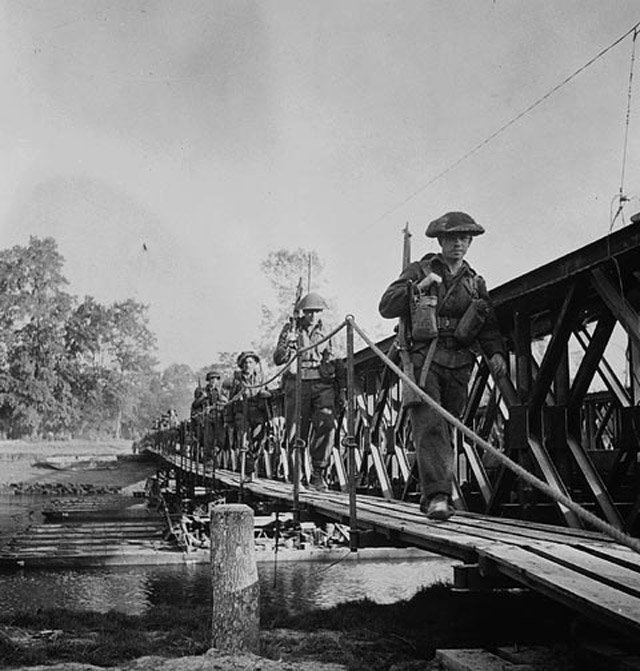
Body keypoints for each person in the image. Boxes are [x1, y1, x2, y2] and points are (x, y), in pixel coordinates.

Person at [379, 211, 507, 520]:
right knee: (431, 425)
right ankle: (438, 496)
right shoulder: (420, 269)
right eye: (453, 238)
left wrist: (496, 353)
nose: (459, 244)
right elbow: (386, 306)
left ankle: (435, 495)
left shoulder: (475, 282)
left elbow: (487, 324)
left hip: (461, 363)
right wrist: (419, 287)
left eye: (465, 239)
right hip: (424, 361)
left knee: (448, 427)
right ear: (440, 241)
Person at [273, 292, 339, 491]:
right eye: (309, 312)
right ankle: (297, 477)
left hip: (321, 383)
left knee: (326, 426)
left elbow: (334, 359)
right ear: (303, 312)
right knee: (295, 431)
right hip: (297, 384)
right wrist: (288, 341)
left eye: (317, 312)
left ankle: (318, 475)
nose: (313, 316)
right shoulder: (291, 329)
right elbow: (278, 358)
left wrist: (340, 387)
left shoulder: (327, 331)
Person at [226, 350, 270, 481]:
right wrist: (229, 419)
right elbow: (230, 400)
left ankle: (252, 466)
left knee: (259, 441)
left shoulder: (262, 377)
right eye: (245, 362)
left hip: (257, 411)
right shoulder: (237, 379)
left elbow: (268, 392)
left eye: (250, 362)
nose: (248, 365)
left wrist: (266, 394)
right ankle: (248, 472)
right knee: (244, 441)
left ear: (255, 363)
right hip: (241, 412)